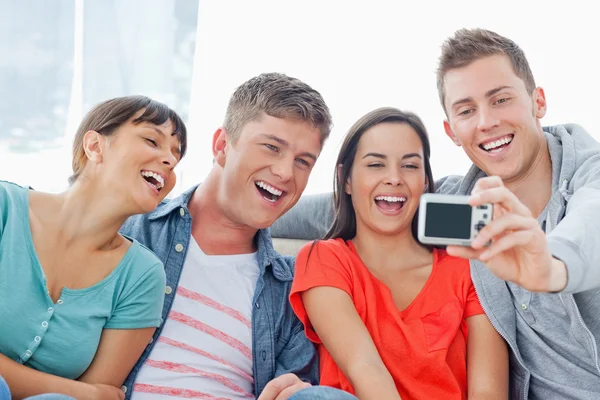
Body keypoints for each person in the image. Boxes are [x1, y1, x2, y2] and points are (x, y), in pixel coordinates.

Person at [271, 28, 600, 399]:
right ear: (452, 131)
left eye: (501, 99)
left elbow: (592, 225)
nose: (486, 121)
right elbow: (351, 205)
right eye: (466, 110)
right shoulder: (459, 205)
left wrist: (552, 265)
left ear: (538, 101)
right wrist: (247, 211)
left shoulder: (590, 175)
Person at [119, 73, 356, 400]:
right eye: (272, 147)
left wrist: (296, 390)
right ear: (221, 146)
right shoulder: (132, 230)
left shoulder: (292, 290)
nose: (286, 173)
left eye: (303, 161)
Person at [289, 107, 508, 399]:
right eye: (376, 165)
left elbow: (488, 391)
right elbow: (365, 368)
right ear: (347, 179)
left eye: (410, 166)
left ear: (426, 182)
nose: (394, 178)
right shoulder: (325, 259)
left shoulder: (466, 268)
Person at [0, 95, 187, 399]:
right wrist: (76, 391)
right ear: (95, 147)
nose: (170, 160)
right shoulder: (4, 209)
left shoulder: (142, 276)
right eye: (152, 141)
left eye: (176, 155)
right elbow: (92, 394)